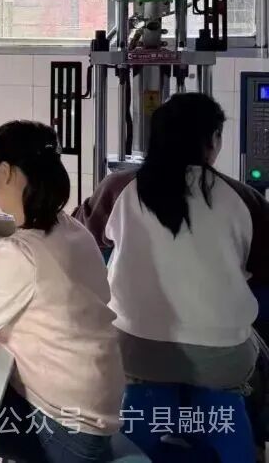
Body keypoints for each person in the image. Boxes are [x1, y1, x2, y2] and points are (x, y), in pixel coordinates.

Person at [0, 120, 125, 463]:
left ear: (5, 172)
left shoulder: (20, 253)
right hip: (96, 406)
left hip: (64, 431)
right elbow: (53, 291)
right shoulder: (71, 228)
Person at [76, 93, 269, 393]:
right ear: (213, 139)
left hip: (134, 352)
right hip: (221, 361)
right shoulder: (245, 199)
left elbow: (79, 236)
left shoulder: (118, 188)